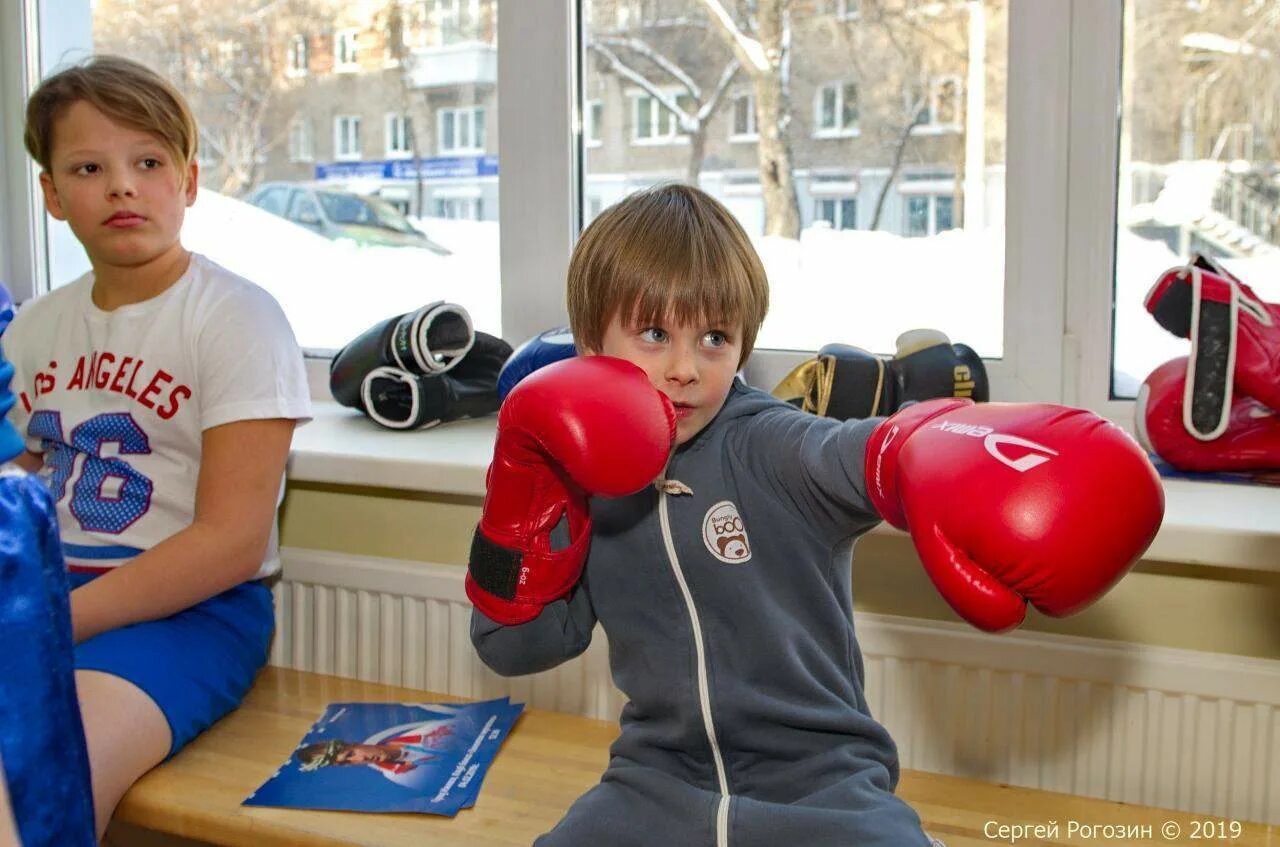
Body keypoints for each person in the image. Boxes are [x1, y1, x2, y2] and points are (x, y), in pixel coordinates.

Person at [466, 184, 1162, 846]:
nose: (685, 368)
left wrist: (914, 446)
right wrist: (523, 497)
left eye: (714, 337)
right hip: (656, 781)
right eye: (653, 332)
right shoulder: (580, 472)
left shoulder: (766, 444)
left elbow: (844, 453)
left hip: (821, 785)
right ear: (590, 339)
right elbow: (515, 646)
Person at [9, 55, 311, 839]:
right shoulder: (34, 327)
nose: (121, 186)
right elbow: (27, 485)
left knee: (39, 777)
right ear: (50, 193)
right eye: (87, 166)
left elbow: (231, 543)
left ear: (189, 180)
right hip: (48, 598)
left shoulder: (237, 318)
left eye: (147, 162)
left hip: (189, 615)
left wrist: (48, 621)